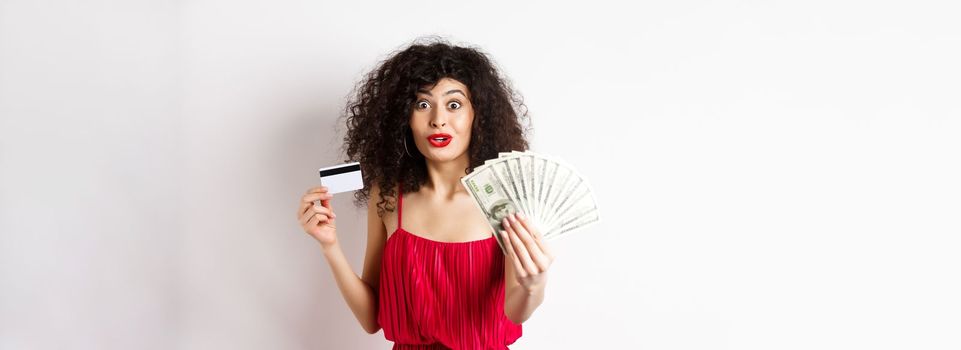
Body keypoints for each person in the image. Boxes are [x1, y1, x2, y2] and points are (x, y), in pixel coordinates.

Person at [295, 37, 555, 349]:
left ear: (478, 115)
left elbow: (516, 311)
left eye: (454, 104)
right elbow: (371, 319)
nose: (438, 119)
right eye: (422, 104)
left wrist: (533, 285)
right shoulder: (388, 195)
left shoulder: (505, 198)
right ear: (404, 118)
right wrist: (330, 246)